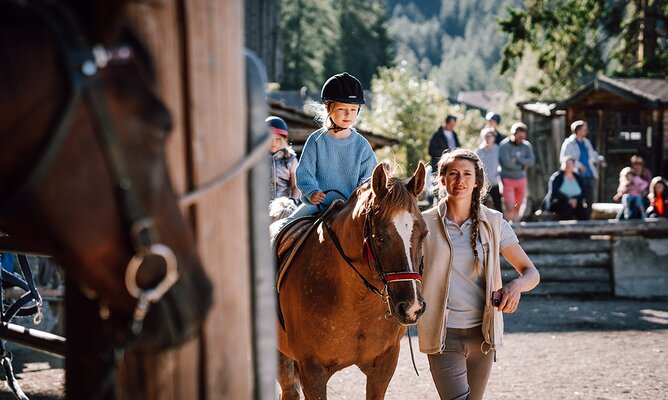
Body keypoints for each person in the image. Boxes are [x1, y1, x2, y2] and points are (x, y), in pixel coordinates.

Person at [418, 148, 540, 400]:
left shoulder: (495, 223)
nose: (460, 180)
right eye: (453, 174)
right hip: (443, 335)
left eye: (466, 174)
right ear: (442, 180)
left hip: (483, 334)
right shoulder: (423, 224)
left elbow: (531, 273)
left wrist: (515, 287)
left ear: (476, 181)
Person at [272, 72, 377, 234]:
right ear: (328, 107)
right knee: (284, 229)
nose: (348, 114)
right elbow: (304, 173)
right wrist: (312, 192)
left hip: (351, 208)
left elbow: (368, 180)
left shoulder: (362, 145)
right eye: (342, 108)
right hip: (317, 205)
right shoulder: (316, 140)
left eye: (353, 109)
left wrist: (358, 200)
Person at [559, 120, 606, 220]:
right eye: (584, 129)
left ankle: (587, 221)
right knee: (577, 199)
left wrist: (600, 159)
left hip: (589, 175)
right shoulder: (569, 143)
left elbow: (592, 155)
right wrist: (579, 166)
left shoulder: (586, 142)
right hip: (576, 176)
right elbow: (565, 158)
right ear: (578, 131)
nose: (586, 131)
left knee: (590, 200)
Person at [498, 122, 535, 223]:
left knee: (517, 206)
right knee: (510, 205)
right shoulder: (504, 146)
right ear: (513, 134)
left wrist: (518, 159)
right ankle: (506, 228)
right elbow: (507, 163)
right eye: (519, 137)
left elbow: (531, 161)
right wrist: (523, 165)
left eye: (522, 137)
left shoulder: (526, 146)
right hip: (507, 179)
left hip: (521, 179)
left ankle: (516, 228)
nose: (520, 139)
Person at [542, 156, 587, 220]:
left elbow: (583, 193)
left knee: (582, 211)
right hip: (558, 202)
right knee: (567, 208)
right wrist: (568, 200)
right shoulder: (557, 177)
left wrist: (575, 199)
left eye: (570, 164)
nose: (568, 165)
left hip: (575, 203)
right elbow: (555, 192)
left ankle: (584, 229)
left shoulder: (578, 178)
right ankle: (565, 228)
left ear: (573, 165)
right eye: (566, 163)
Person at [267, 116, 300, 202]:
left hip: (283, 206)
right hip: (262, 206)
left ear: (284, 139)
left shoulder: (290, 159)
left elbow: (295, 186)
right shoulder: (259, 159)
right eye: (270, 139)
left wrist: (293, 200)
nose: (273, 142)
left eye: (277, 139)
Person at [475, 127, 501, 211]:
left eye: (490, 136)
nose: (488, 138)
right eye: (486, 136)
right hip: (483, 183)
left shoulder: (498, 149)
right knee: (482, 206)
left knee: (498, 206)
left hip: (495, 182)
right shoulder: (479, 151)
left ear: (494, 137)